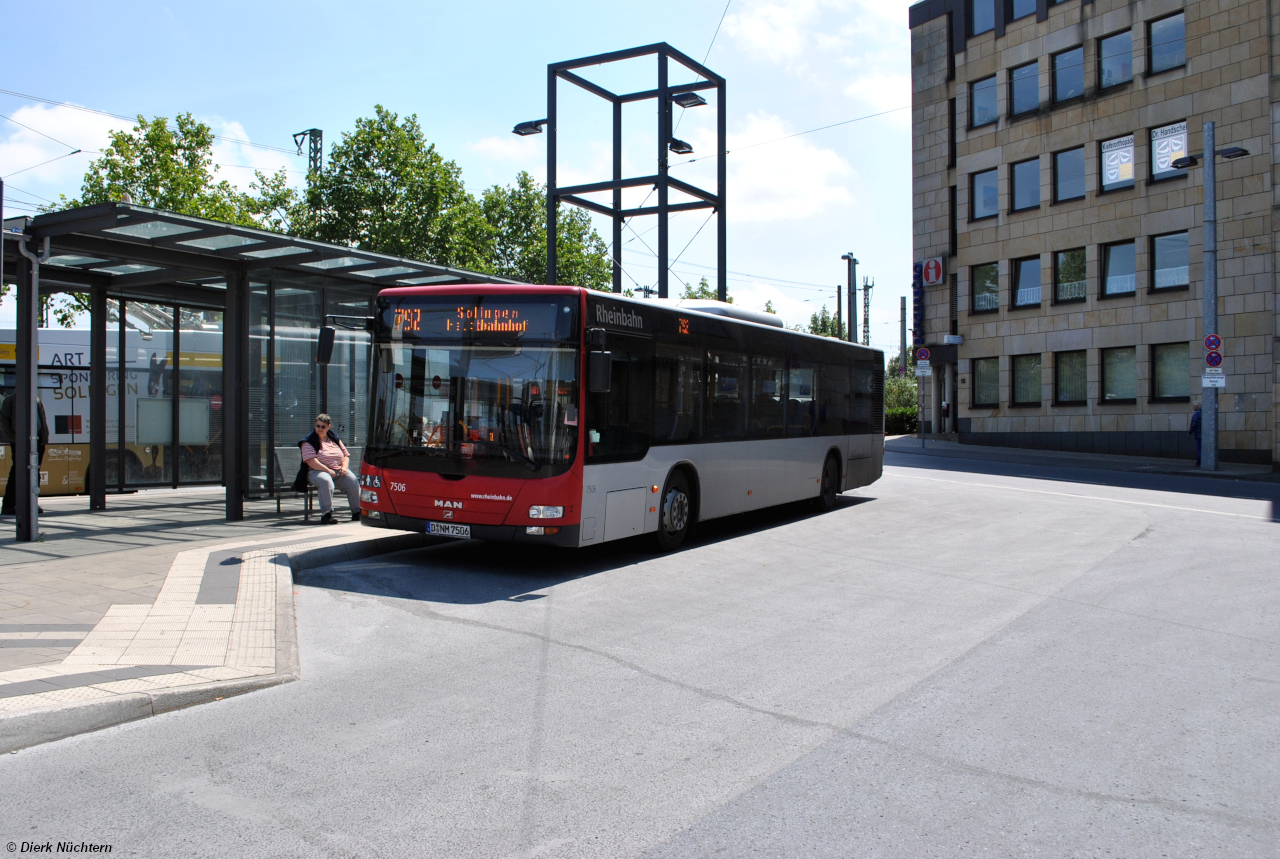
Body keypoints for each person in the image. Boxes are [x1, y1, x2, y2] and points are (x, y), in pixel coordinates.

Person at [299, 413, 359, 525]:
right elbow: (310, 461)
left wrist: (344, 467)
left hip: (337, 470)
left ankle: (357, 512)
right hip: (316, 471)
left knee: (353, 481)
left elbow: (345, 455)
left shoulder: (334, 438)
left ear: (328, 427)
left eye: (323, 426)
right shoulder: (308, 441)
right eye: (318, 426)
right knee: (326, 481)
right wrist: (328, 470)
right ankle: (327, 514)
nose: (320, 429)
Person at [0, 393, 49, 517]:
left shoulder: (36, 399)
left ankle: (32, 502)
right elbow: (3, 421)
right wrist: (14, 438)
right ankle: (9, 505)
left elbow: (42, 420)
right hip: (20, 442)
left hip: (38, 441)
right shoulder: (11, 400)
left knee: (35, 472)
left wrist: (44, 438)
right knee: (17, 472)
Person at [1188, 402, 1203, 467]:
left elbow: (1193, 425)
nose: (1193, 407)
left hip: (1198, 434)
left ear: (1197, 407)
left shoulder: (1196, 414)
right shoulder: (1203, 413)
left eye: (1194, 406)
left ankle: (1198, 462)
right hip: (1204, 434)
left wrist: (1189, 433)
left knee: (1199, 448)